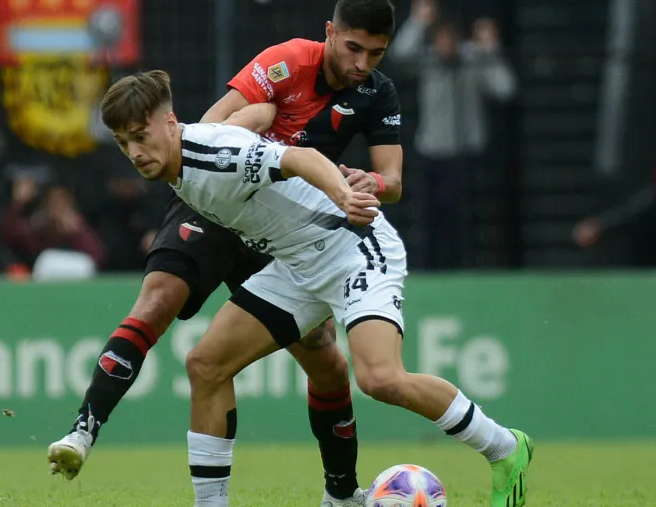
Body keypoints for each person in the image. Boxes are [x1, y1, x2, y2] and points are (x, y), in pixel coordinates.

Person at [100, 68, 533, 507]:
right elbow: (251, 122)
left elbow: (299, 159)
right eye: (124, 144)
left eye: (140, 136)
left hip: (352, 246)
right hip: (298, 264)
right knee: (206, 365)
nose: (134, 153)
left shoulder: (214, 152)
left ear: (170, 123)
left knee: (380, 378)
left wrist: (343, 197)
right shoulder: (182, 161)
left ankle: (506, 448)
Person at [48, 1, 404, 505]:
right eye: (354, 48)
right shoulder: (285, 62)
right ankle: (82, 431)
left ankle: (342, 494)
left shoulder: (377, 92)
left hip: (280, 226)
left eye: (376, 52)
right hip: (217, 201)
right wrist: (253, 126)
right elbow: (214, 125)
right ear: (331, 33)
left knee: (328, 364)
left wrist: (373, 182)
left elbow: (393, 182)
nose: (362, 63)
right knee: (157, 301)